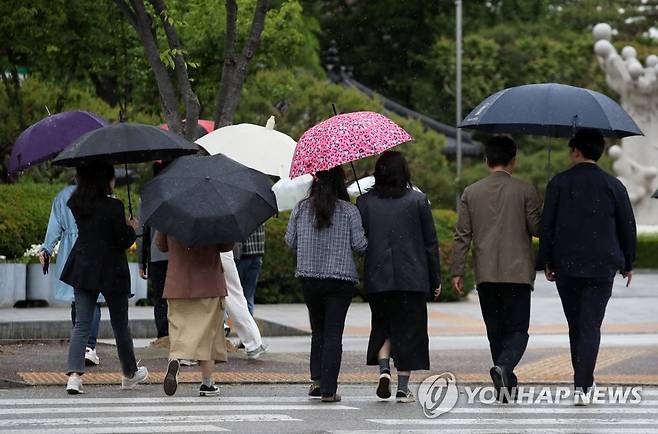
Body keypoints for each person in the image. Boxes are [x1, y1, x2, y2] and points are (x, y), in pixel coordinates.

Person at [538, 128, 636, 406]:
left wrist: (545, 260)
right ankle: (583, 384)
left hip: (566, 265)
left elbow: (548, 226)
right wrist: (628, 262)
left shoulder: (559, 183)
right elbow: (627, 226)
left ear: (576, 151)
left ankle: (582, 380)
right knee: (591, 324)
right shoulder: (614, 185)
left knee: (575, 325)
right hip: (602, 266)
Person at [451, 136, 541, 402]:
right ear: (513, 160)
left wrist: (457, 271)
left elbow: (462, 236)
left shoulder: (471, 192)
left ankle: (505, 381)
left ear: (486, 160)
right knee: (517, 331)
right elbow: (538, 229)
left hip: (486, 273)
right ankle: (504, 369)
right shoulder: (525, 190)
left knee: (495, 330)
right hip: (518, 274)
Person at [356, 151, 441, 403]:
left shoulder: (365, 202)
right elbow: (430, 243)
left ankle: (384, 371)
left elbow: (361, 240)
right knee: (409, 330)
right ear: (404, 173)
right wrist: (435, 279)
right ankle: (403, 388)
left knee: (383, 325)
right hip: (412, 277)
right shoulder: (418, 200)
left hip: (378, 275)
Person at [60, 161, 148, 394]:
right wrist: (132, 228)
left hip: (84, 267)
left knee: (82, 324)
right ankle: (129, 373)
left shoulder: (77, 204)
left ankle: (75, 376)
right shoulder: (114, 206)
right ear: (105, 180)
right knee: (120, 325)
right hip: (112, 271)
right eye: (112, 177)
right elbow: (121, 240)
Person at [285, 167, 367, 403]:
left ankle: (317, 381)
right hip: (340, 280)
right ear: (341, 183)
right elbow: (361, 245)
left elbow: (290, 241)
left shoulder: (301, 208)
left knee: (318, 330)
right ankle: (329, 390)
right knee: (333, 333)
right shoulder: (350, 211)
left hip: (309, 278)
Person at [156, 232, 234, 397]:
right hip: (209, 283)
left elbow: (161, 245)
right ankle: (207, 383)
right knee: (209, 336)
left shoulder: (170, 212)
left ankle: (176, 357)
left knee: (179, 329)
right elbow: (226, 246)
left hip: (178, 283)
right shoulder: (215, 214)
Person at [39, 183, 104, 367]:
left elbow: (54, 227)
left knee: (77, 298)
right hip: (94, 249)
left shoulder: (62, 196)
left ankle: (80, 345)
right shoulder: (102, 193)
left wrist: (47, 249)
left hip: (71, 253)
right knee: (94, 298)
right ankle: (89, 347)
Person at [137, 162, 170, 348]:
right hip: (180, 256)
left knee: (160, 299)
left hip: (156, 256)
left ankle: (163, 337)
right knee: (178, 298)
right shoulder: (179, 193)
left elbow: (142, 232)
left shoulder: (147, 198)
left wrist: (141, 262)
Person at [221, 250, 268, 359]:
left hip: (200, 252)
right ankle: (253, 343)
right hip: (221, 250)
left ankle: (219, 330)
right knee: (234, 296)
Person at [234, 225, 265, 316]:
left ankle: (233, 326)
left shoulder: (241, 213)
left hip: (242, 256)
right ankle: (249, 326)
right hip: (257, 255)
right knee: (249, 296)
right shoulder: (260, 212)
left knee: (235, 296)